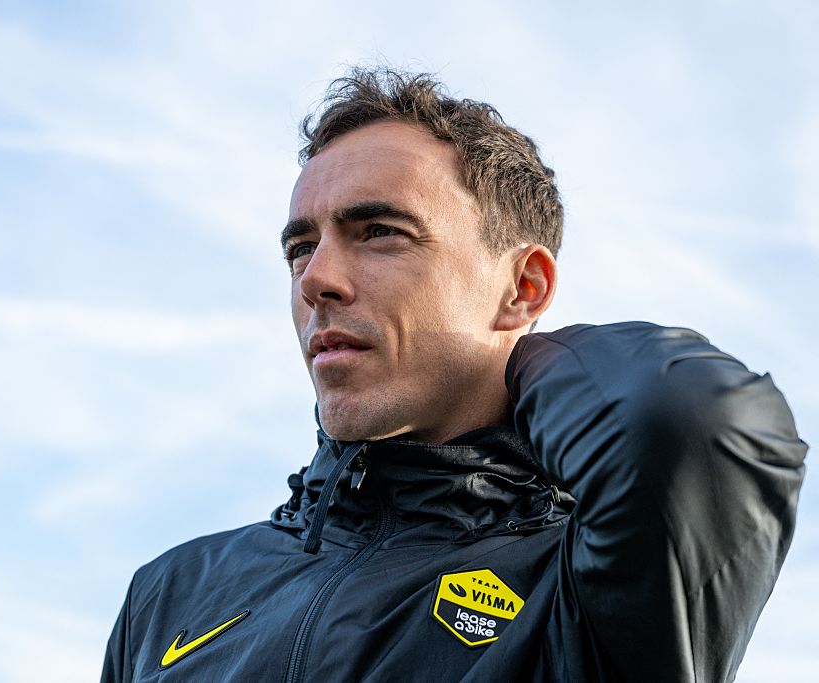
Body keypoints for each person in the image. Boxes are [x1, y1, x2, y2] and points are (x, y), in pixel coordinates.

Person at [100, 67, 807, 682]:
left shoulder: (583, 589)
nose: (316, 279)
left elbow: (688, 419)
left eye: (380, 232)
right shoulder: (171, 591)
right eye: (300, 248)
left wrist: (519, 361)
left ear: (523, 287)